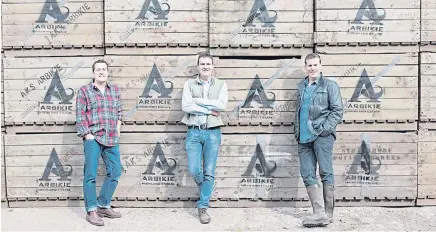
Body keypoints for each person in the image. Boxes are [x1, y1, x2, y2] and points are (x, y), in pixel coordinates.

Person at [295, 53, 344, 227]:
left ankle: (328, 214)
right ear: (305, 67)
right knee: (307, 173)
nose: (312, 68)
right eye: (309, 65)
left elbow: (337, 111)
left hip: (322, 136)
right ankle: (319, 213)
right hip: (303, 137)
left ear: (321, 66)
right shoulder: (301, 86)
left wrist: (322, 128)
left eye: (315, 65)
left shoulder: (330, 85)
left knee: (325, 172)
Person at [181, 52, 228, 224]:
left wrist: (198, 101)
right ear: (198, 66)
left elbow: (222, 105)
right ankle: (205, 192)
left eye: (208, 64)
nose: (206, 66)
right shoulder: (189, 84)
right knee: (194, 169)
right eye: (202, 64)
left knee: (209, 170)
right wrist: (208, 109)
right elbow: (186, 105)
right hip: (194, 131)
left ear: (213, 66)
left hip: (213, 132)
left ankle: (203, 207)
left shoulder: (221, 84)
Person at [75, 60, 123, 226]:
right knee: (90, 175)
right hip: (93, 138)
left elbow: (119, 112)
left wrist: (117, 129)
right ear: (93, 73)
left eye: (104, 69)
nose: (101, 72)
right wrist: (87, 135)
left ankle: (103, 204)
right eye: (98, 70)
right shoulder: (84, 91)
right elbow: (80, 115)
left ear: (107, 72)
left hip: (111, 137)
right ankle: (91, 210)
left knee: (116, 171)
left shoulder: (115, 90)